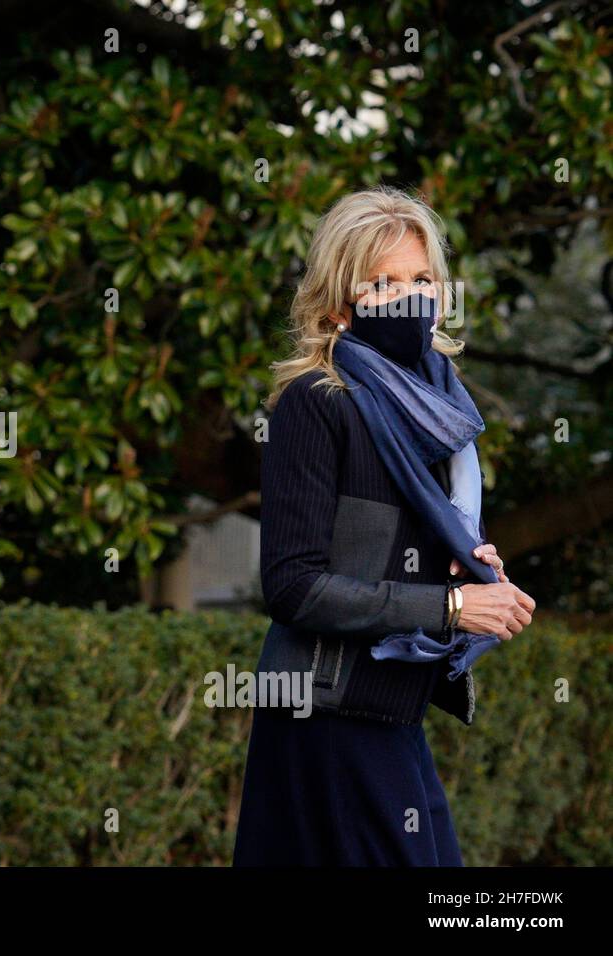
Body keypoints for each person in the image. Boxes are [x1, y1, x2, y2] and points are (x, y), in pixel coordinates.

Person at [233, 186, 536, 866]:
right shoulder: (316, 403)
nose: (409, 297)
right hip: (329, 718)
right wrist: (454, 606)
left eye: (422, 279)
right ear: (340, 302)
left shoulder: (437, 412)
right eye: (384, 282)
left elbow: (396, 550)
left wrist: (464, 563)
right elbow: (295, 587)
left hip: (392, 713)